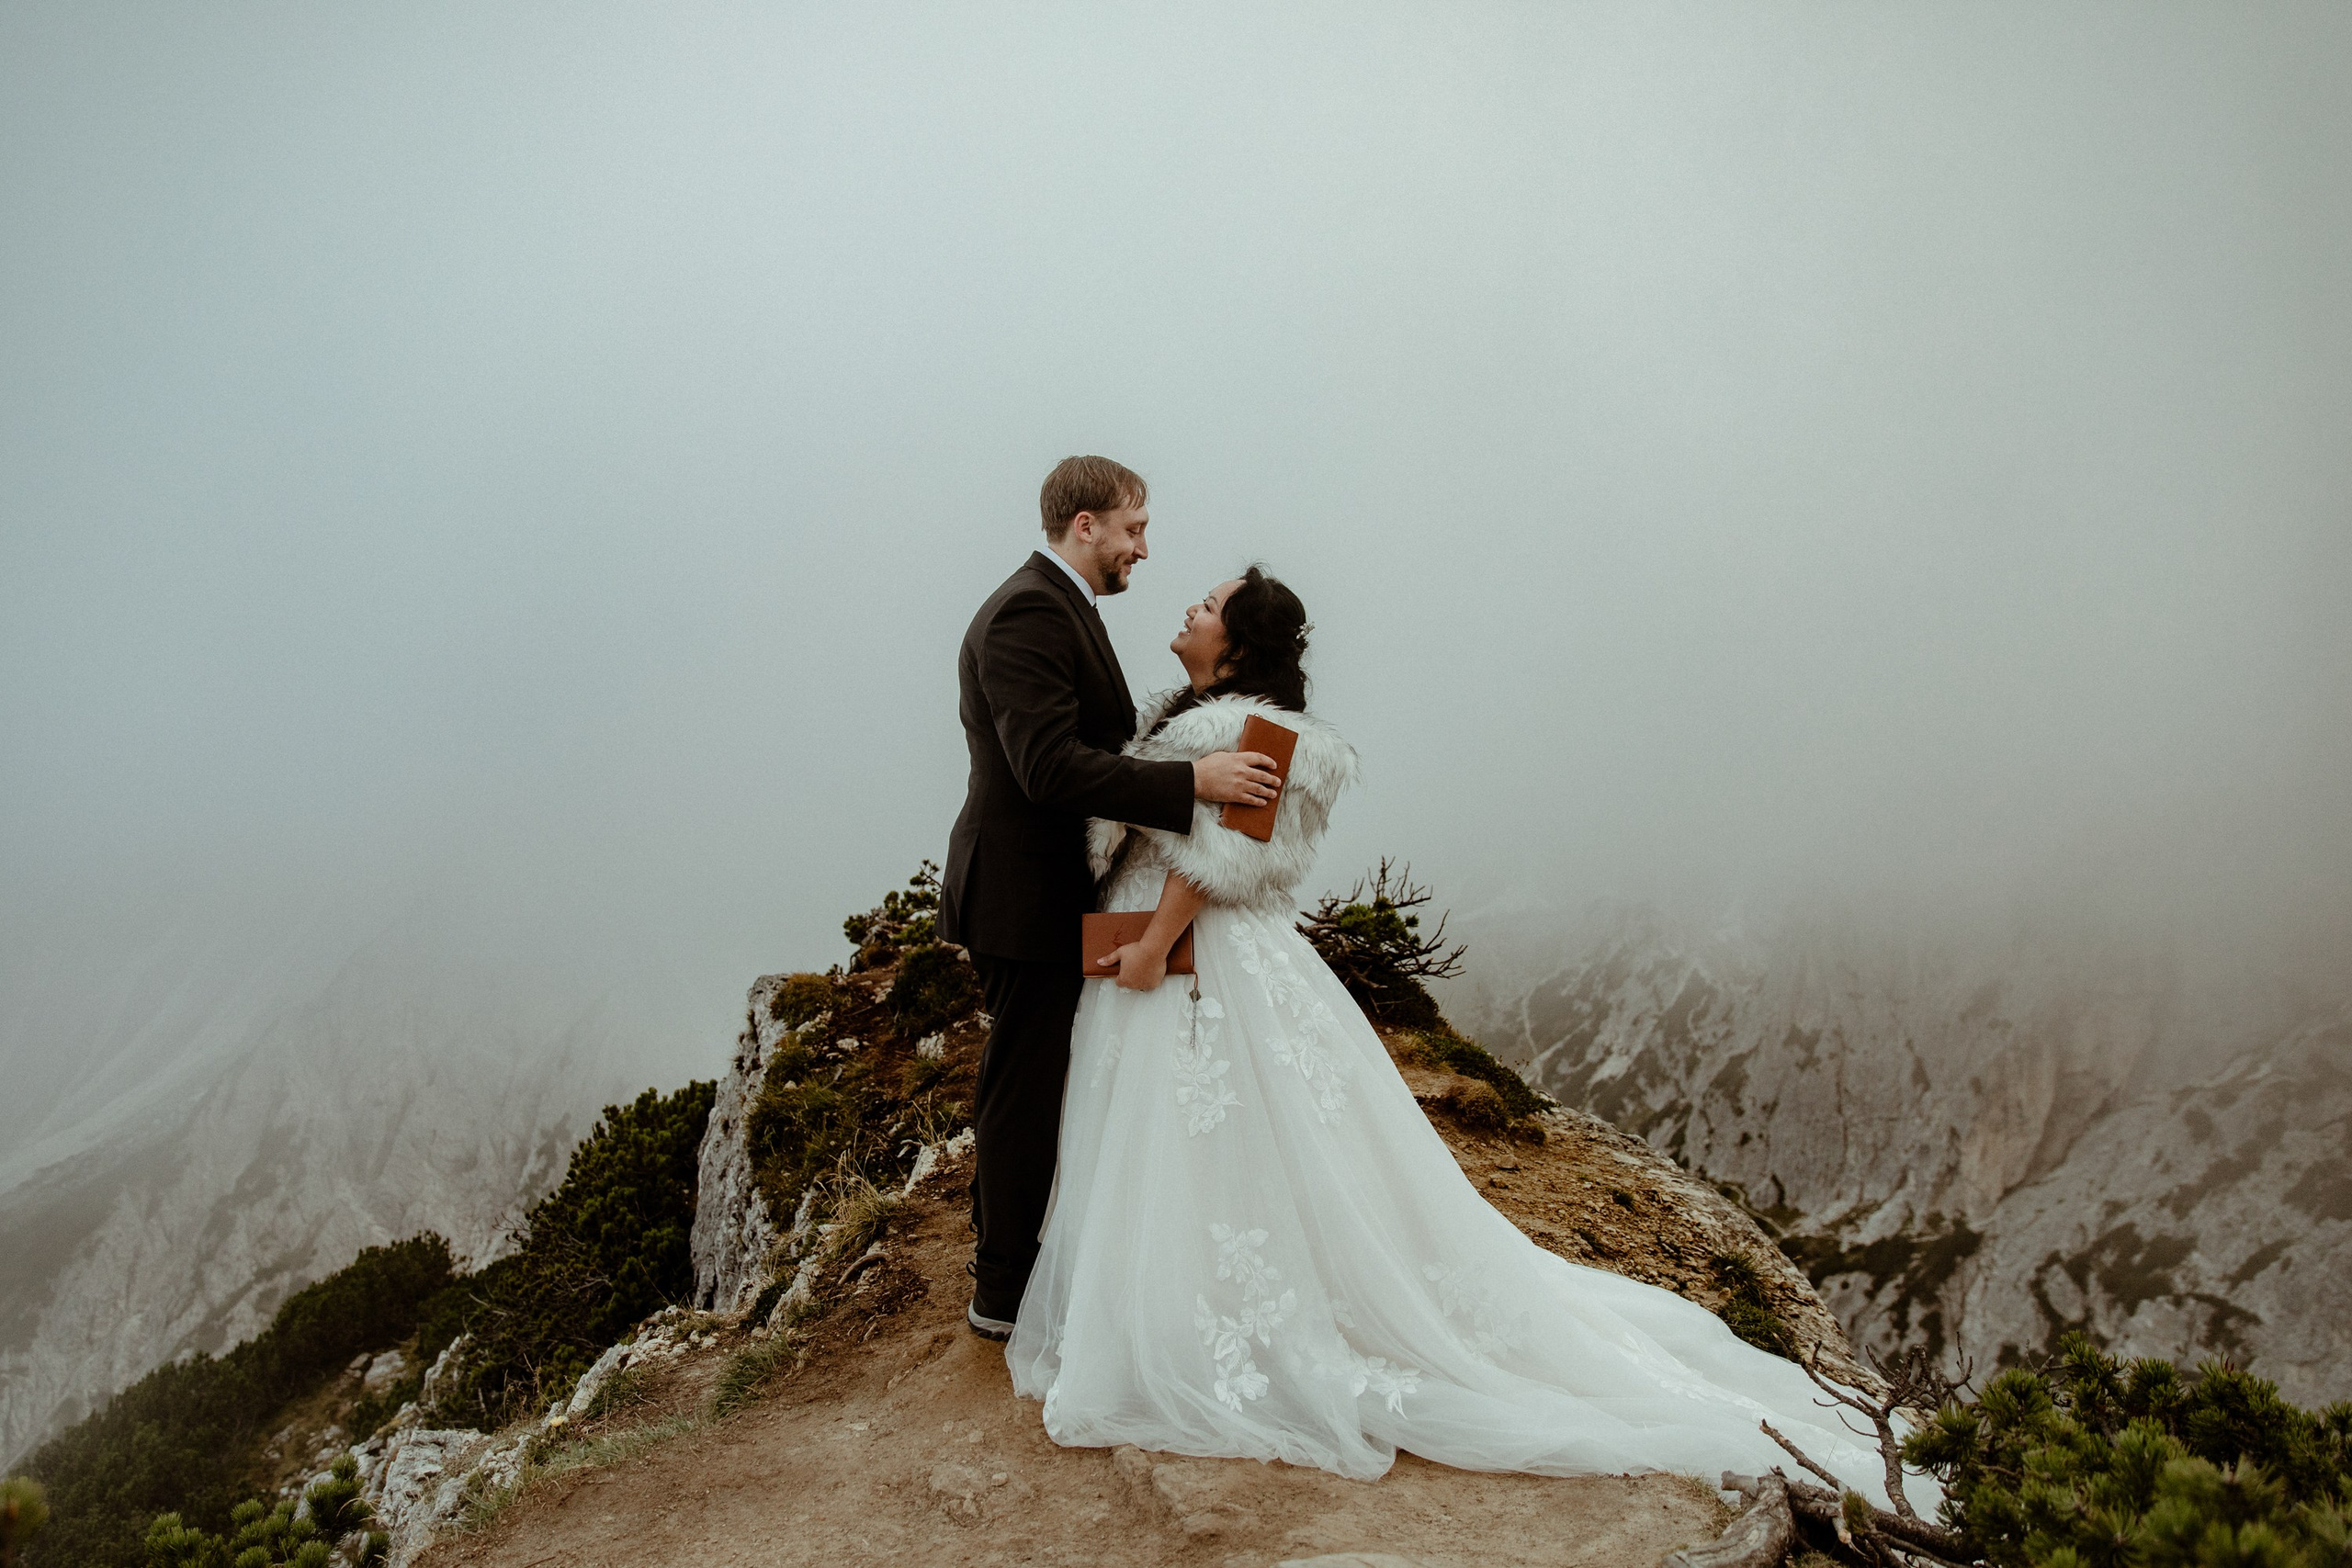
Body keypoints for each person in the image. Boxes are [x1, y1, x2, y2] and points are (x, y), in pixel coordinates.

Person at [1005, 565, 1926, 1509]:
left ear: (1236, 647)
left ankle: (1211, 1323)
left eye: (1209, 604)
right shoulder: (1190, 722)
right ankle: (1174, 1303)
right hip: (1163, 954)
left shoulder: (1260, 734)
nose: (1191, 606)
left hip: (1198, 960)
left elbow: (1222, 859)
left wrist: (1152, 944)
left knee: (1206, 1127)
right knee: (1185, 1139)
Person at [939, 456, 1282, 1341]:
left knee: (1044, 1081)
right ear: (1084, 525)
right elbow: (1047, 768)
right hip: (1021, 897)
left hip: (1054, 896)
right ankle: (1002, 1290)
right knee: (1023, 1089)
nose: (1143, 548)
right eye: (1134, 528)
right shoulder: (1028, 611)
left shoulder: (1065, 607)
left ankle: (1035, 1262)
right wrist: (1193, 780)